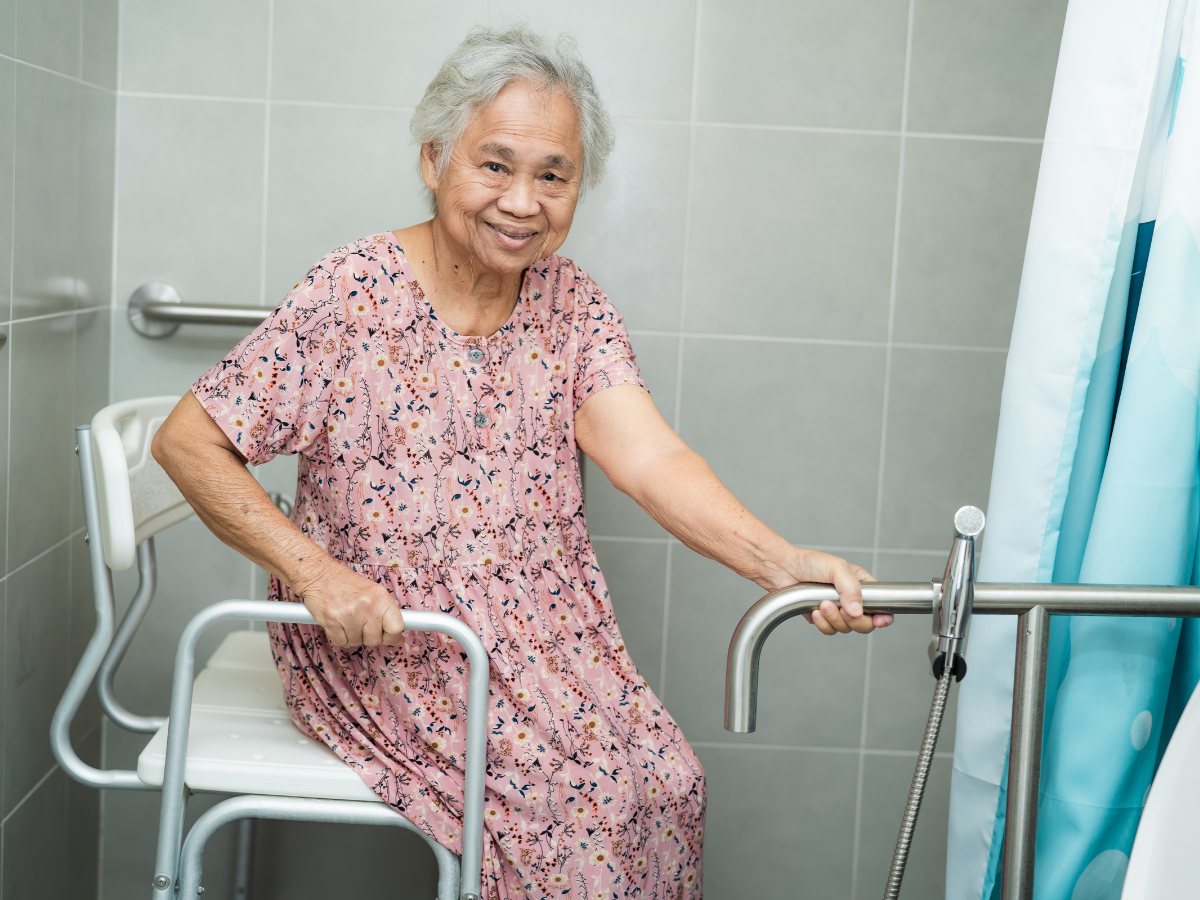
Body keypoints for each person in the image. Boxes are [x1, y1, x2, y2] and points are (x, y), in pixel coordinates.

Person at [153, 25, 891, 900]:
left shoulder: (571, 306)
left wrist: (784, 567)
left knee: (669, 781)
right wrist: (315, 576)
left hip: (548, 640)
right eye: (494, 165)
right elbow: (188, 440)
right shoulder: (353, 292)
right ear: (434, 160)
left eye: (554, 175)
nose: (521, 200)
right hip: (392, 640)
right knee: (579, 814)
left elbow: (651, 457)